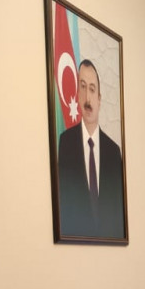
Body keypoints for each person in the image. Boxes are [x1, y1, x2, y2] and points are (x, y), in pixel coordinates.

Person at [56, 59, 125, 238]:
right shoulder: (65, 144)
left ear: (99, 99)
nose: (88, 98)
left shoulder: (114, 152)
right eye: (83, 87)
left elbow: (118, 215)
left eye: (92, 90)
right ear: (77, 94)